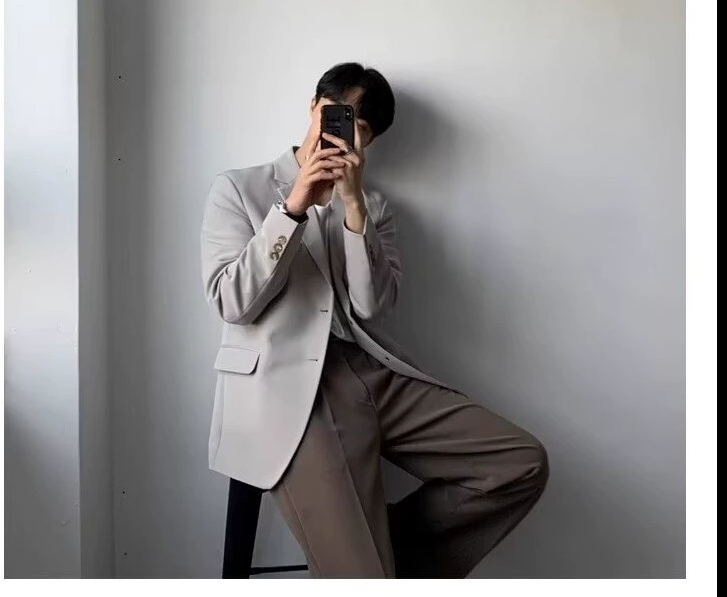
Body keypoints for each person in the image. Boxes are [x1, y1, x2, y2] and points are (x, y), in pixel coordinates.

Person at [200, 62, 549, 578]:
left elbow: (370, 304)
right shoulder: (239, 188)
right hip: (289, 386)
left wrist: (353, 207)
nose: (340, 132)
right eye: (333, 114)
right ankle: (364, 562)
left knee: (520, 464)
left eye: (358, 127)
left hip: (373, 373)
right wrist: (293, 207)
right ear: (313, 107)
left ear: (369, 141)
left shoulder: (373, 207)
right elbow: (232, 302)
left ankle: (372, 556)